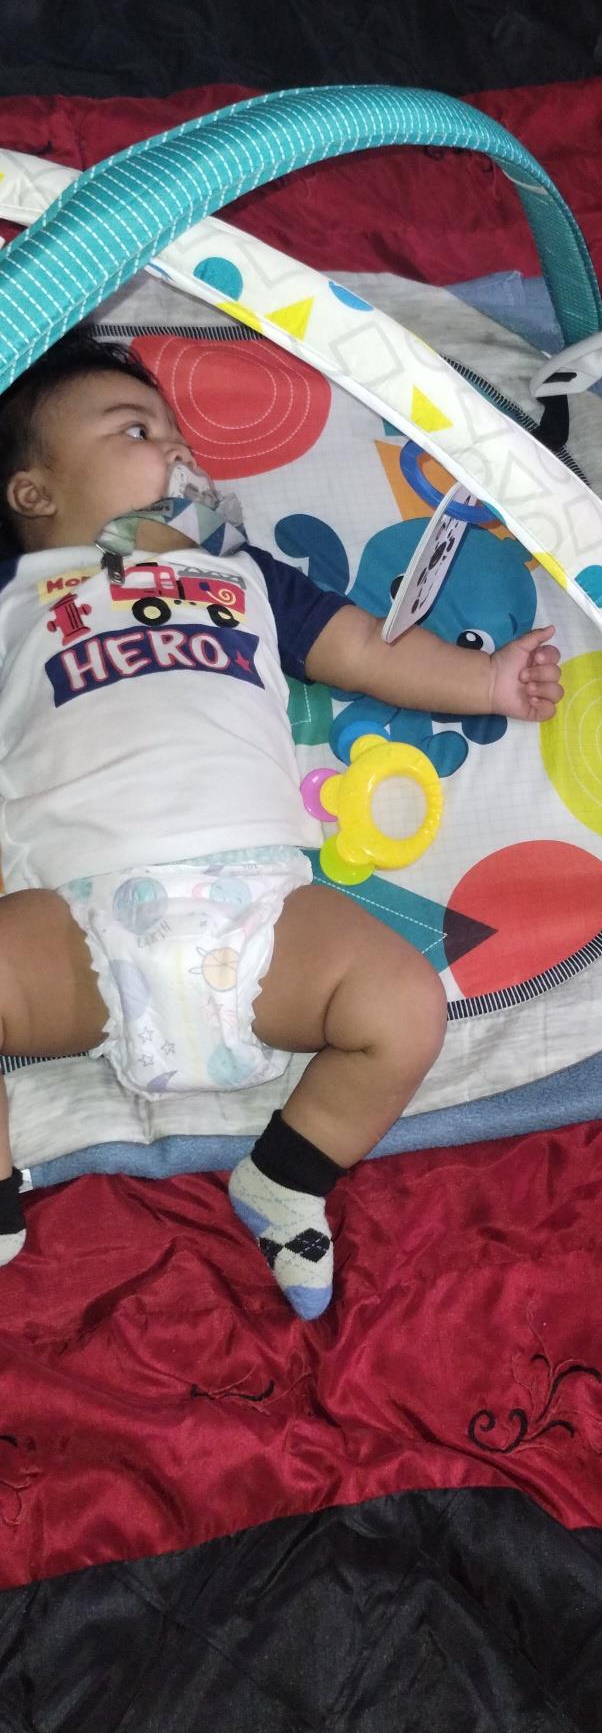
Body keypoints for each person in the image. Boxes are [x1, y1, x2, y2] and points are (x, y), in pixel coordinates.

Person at [0, 329, 563, 1319]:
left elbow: (357, 649)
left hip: (261, 914)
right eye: (136, 431)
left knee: (401, 1009)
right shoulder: (16, 602)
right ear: (35, 492)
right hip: (74, 919)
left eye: (178, 436)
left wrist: (483, 680)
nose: (175, 453)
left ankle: (288, 1177)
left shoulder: (243, 576)